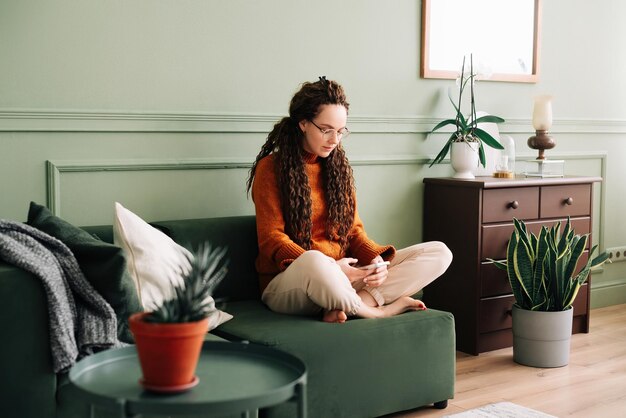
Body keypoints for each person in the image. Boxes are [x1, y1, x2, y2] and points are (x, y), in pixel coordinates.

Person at [246, 77, 452, 323]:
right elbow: (272, 239)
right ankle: (377, 310)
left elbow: (353, 231)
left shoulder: (337, 169)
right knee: (315, 260)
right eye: (326, 130)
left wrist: (374, 261)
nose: (334, 140)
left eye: (341, 131)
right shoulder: (270, 168)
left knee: (439, 253)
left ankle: (343, 305)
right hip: (290, 283)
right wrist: (333, 269)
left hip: (343, 276)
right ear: (303, 123)